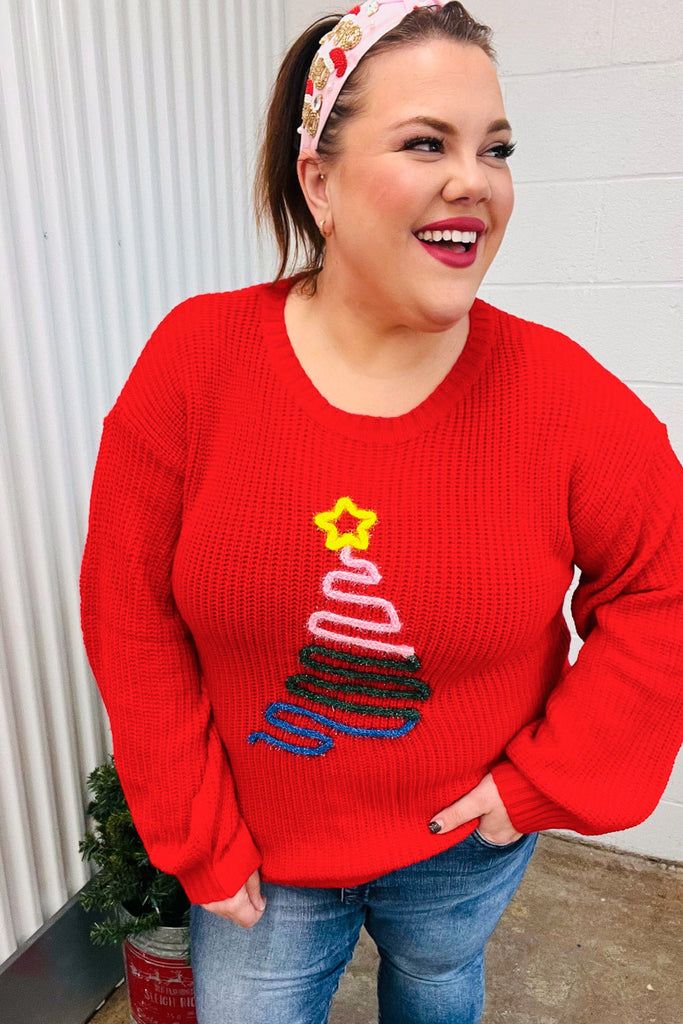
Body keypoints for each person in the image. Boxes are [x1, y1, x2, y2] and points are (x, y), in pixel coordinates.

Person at [80, 2, 683, 1022]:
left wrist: (539, 784)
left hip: (461, 846)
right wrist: (195, 835)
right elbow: (127, 608)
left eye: (495, 148)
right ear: (317, 180)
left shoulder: (564, 401)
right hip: (258, 861)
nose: (474, 179)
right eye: (425, 143)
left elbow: (663, 585)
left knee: (437, 985)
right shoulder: (195, 365)